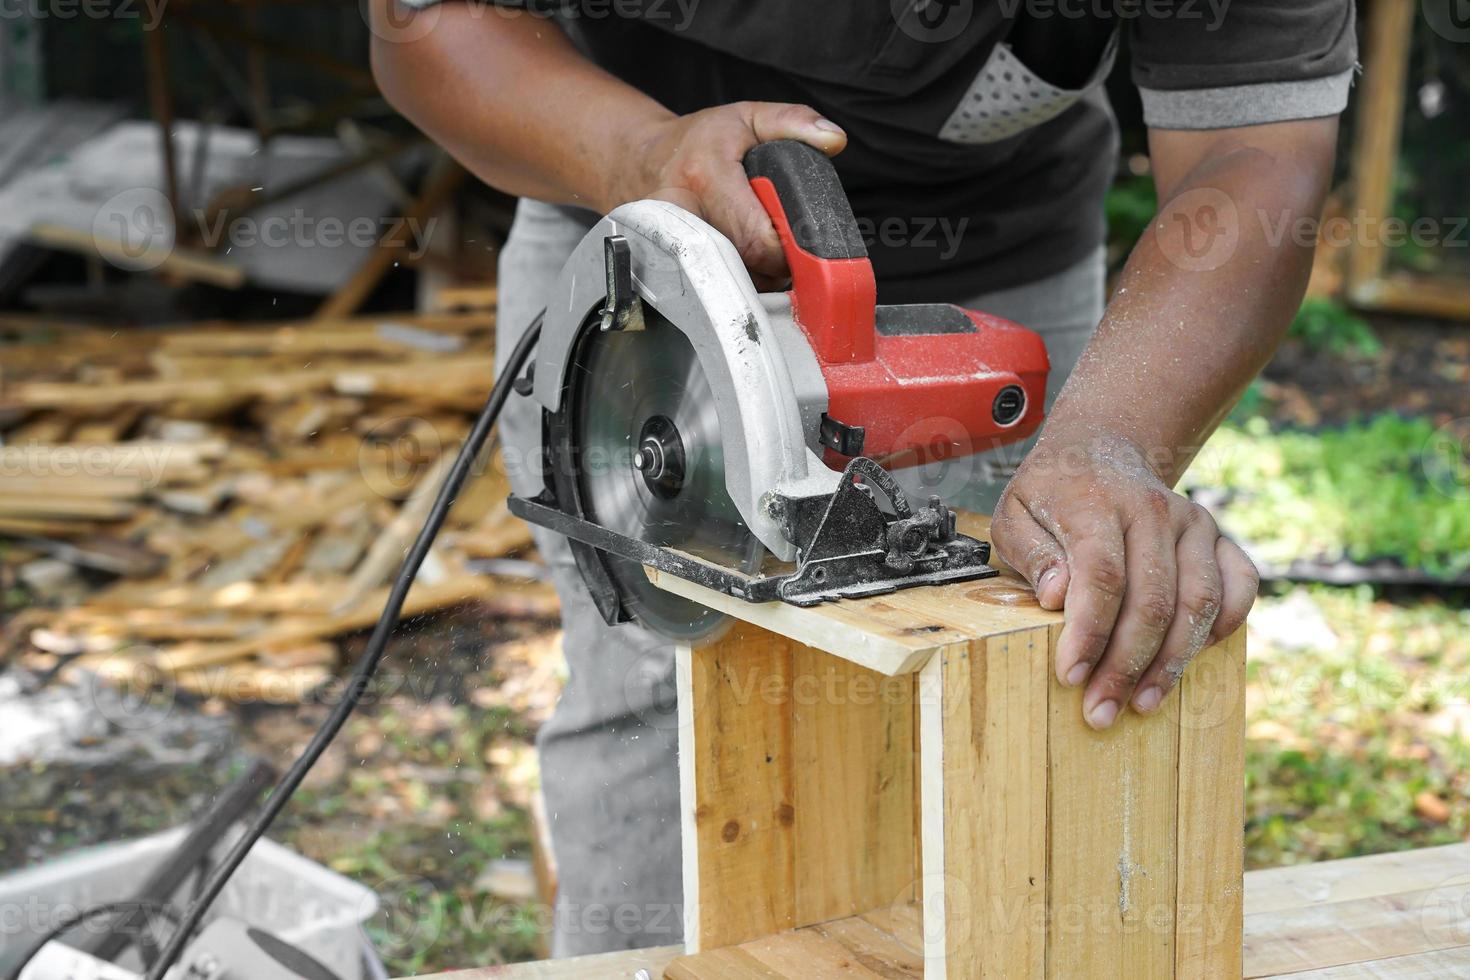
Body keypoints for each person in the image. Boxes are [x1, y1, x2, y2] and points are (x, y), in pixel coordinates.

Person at [370, 0, 1355, 956]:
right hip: (624, 202)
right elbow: (425, 28)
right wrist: (636, 154)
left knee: (1010, 689)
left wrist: (1111, 437)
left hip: (994, 234)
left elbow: (1258, 147)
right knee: (652, 707)